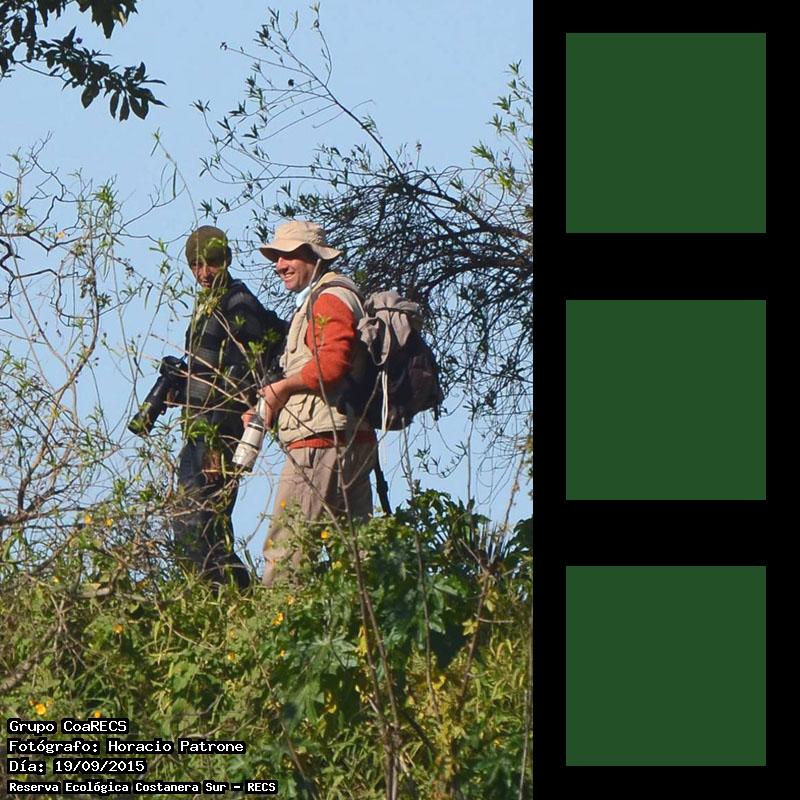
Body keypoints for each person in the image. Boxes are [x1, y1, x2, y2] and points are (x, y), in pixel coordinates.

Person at [255, 220, 377, 587]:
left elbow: (332, 365)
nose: (279, 265)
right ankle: (369, 621)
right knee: (356, 559)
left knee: (287, 555)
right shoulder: (332, 296)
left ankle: (280, 623)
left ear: (314, 257)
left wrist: (282, 389)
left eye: (288, 255)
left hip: (319, 445)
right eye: (277, 257)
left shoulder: (328, 299)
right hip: (348, 438)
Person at [172, 225, 286, 590]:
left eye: (212, 263)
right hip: (198, 430)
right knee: (191, 524)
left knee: (200, 524)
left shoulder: (237, 302)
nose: (204, 272)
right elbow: (213, 371)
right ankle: (223, 599)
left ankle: (233, 596)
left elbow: (244, 373)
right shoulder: (208, 304)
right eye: (196, 265)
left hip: (218, 434)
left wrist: (216, 445)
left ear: (227, 260)